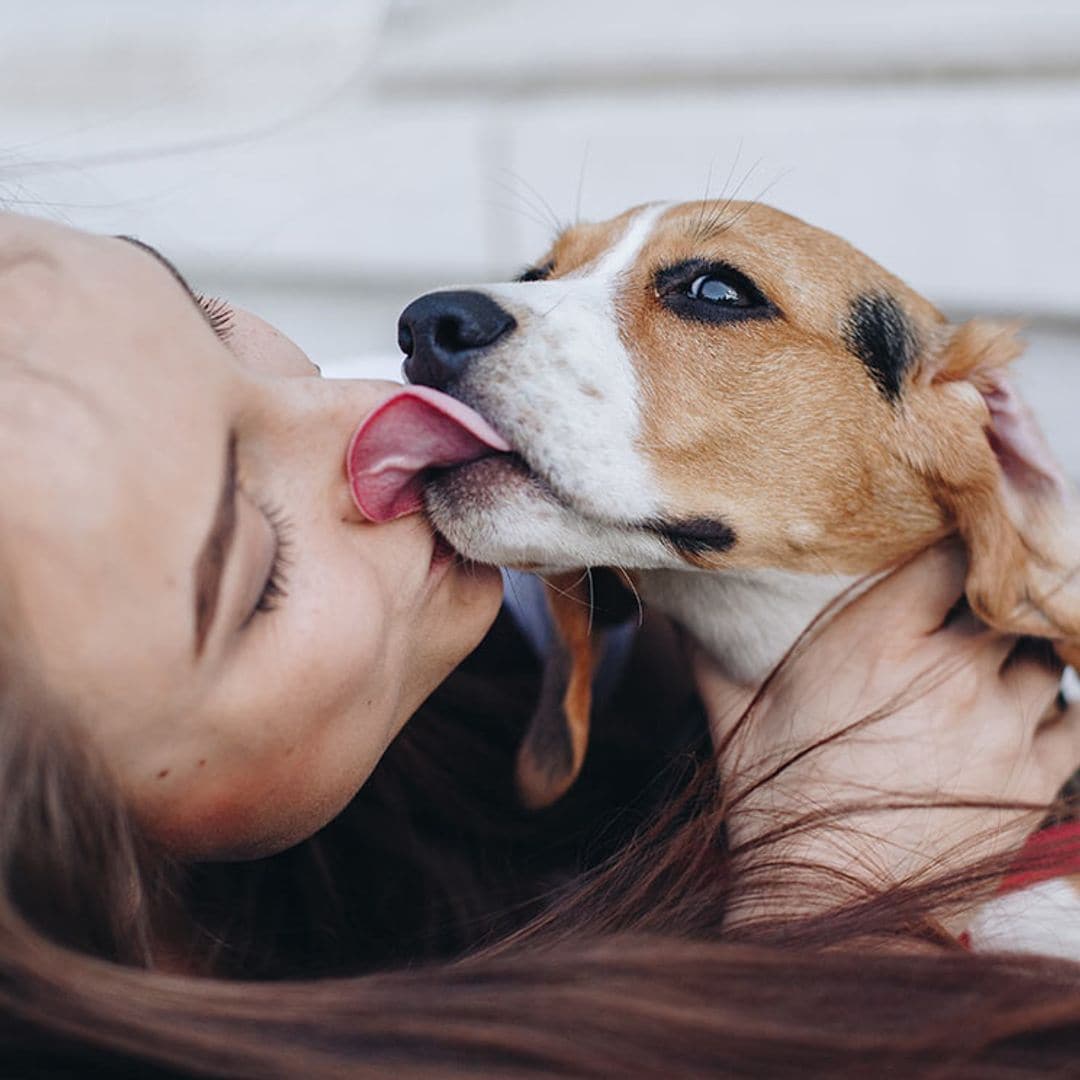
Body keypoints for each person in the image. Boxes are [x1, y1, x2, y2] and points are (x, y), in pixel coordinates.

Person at [3, 209, 1080, 1077]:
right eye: (256, 568)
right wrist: (840, 921)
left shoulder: (494, 609)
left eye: (210, 321)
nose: (367, 398)